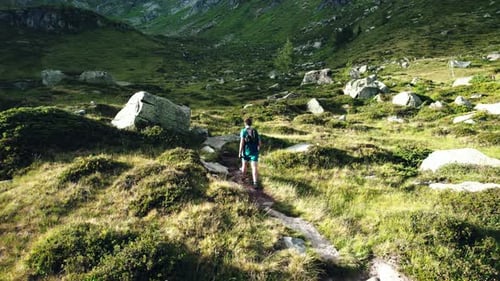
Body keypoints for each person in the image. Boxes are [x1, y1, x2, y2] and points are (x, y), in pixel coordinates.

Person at [238, 117, 262, 188]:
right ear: (251, 123)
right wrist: (258, 149)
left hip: (246, 152)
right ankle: (255, 183)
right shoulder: (255, 130)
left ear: (245, 123)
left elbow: (242, 143)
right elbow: (260, 142)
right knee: (254, 167)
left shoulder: (243, 131)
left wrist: (240, 152)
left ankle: (243, 179)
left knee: (244, 166)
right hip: (254, 152)